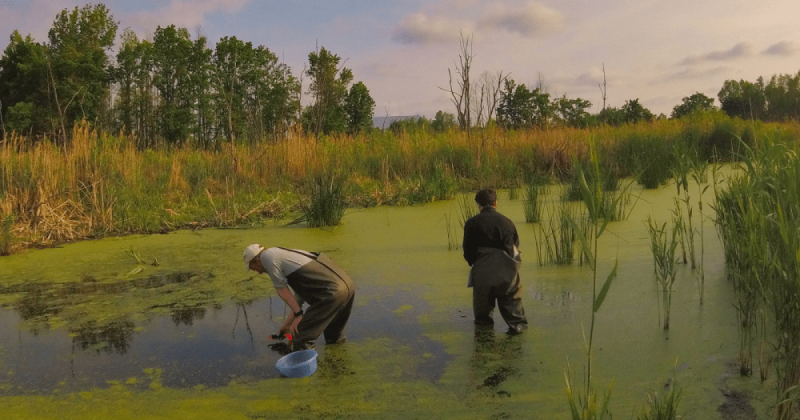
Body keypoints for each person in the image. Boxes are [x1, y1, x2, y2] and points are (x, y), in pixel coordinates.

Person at [244, 244, 355, 351]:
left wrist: (299, 315)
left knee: (301, 340)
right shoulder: (284, 256)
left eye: (253, 268)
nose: (258, 273)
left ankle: (307, 370)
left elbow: (281, 289)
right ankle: (339, 366)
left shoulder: (266, 256)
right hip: (347, 286)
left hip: (332, 293)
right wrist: (287, 324)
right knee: (334, 337)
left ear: (256, 260)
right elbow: (299, 297)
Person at [462, 189, 528, 333]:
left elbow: (468, 252)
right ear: (496, 203)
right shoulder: (507, 223)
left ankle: (485, 347)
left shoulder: (471, 224)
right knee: (517, 323)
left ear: (479, 204)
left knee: (482, 322)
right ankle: (517, 345)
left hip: (483, 274)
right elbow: (515, 246)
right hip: (507, 274)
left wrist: (477, 264)